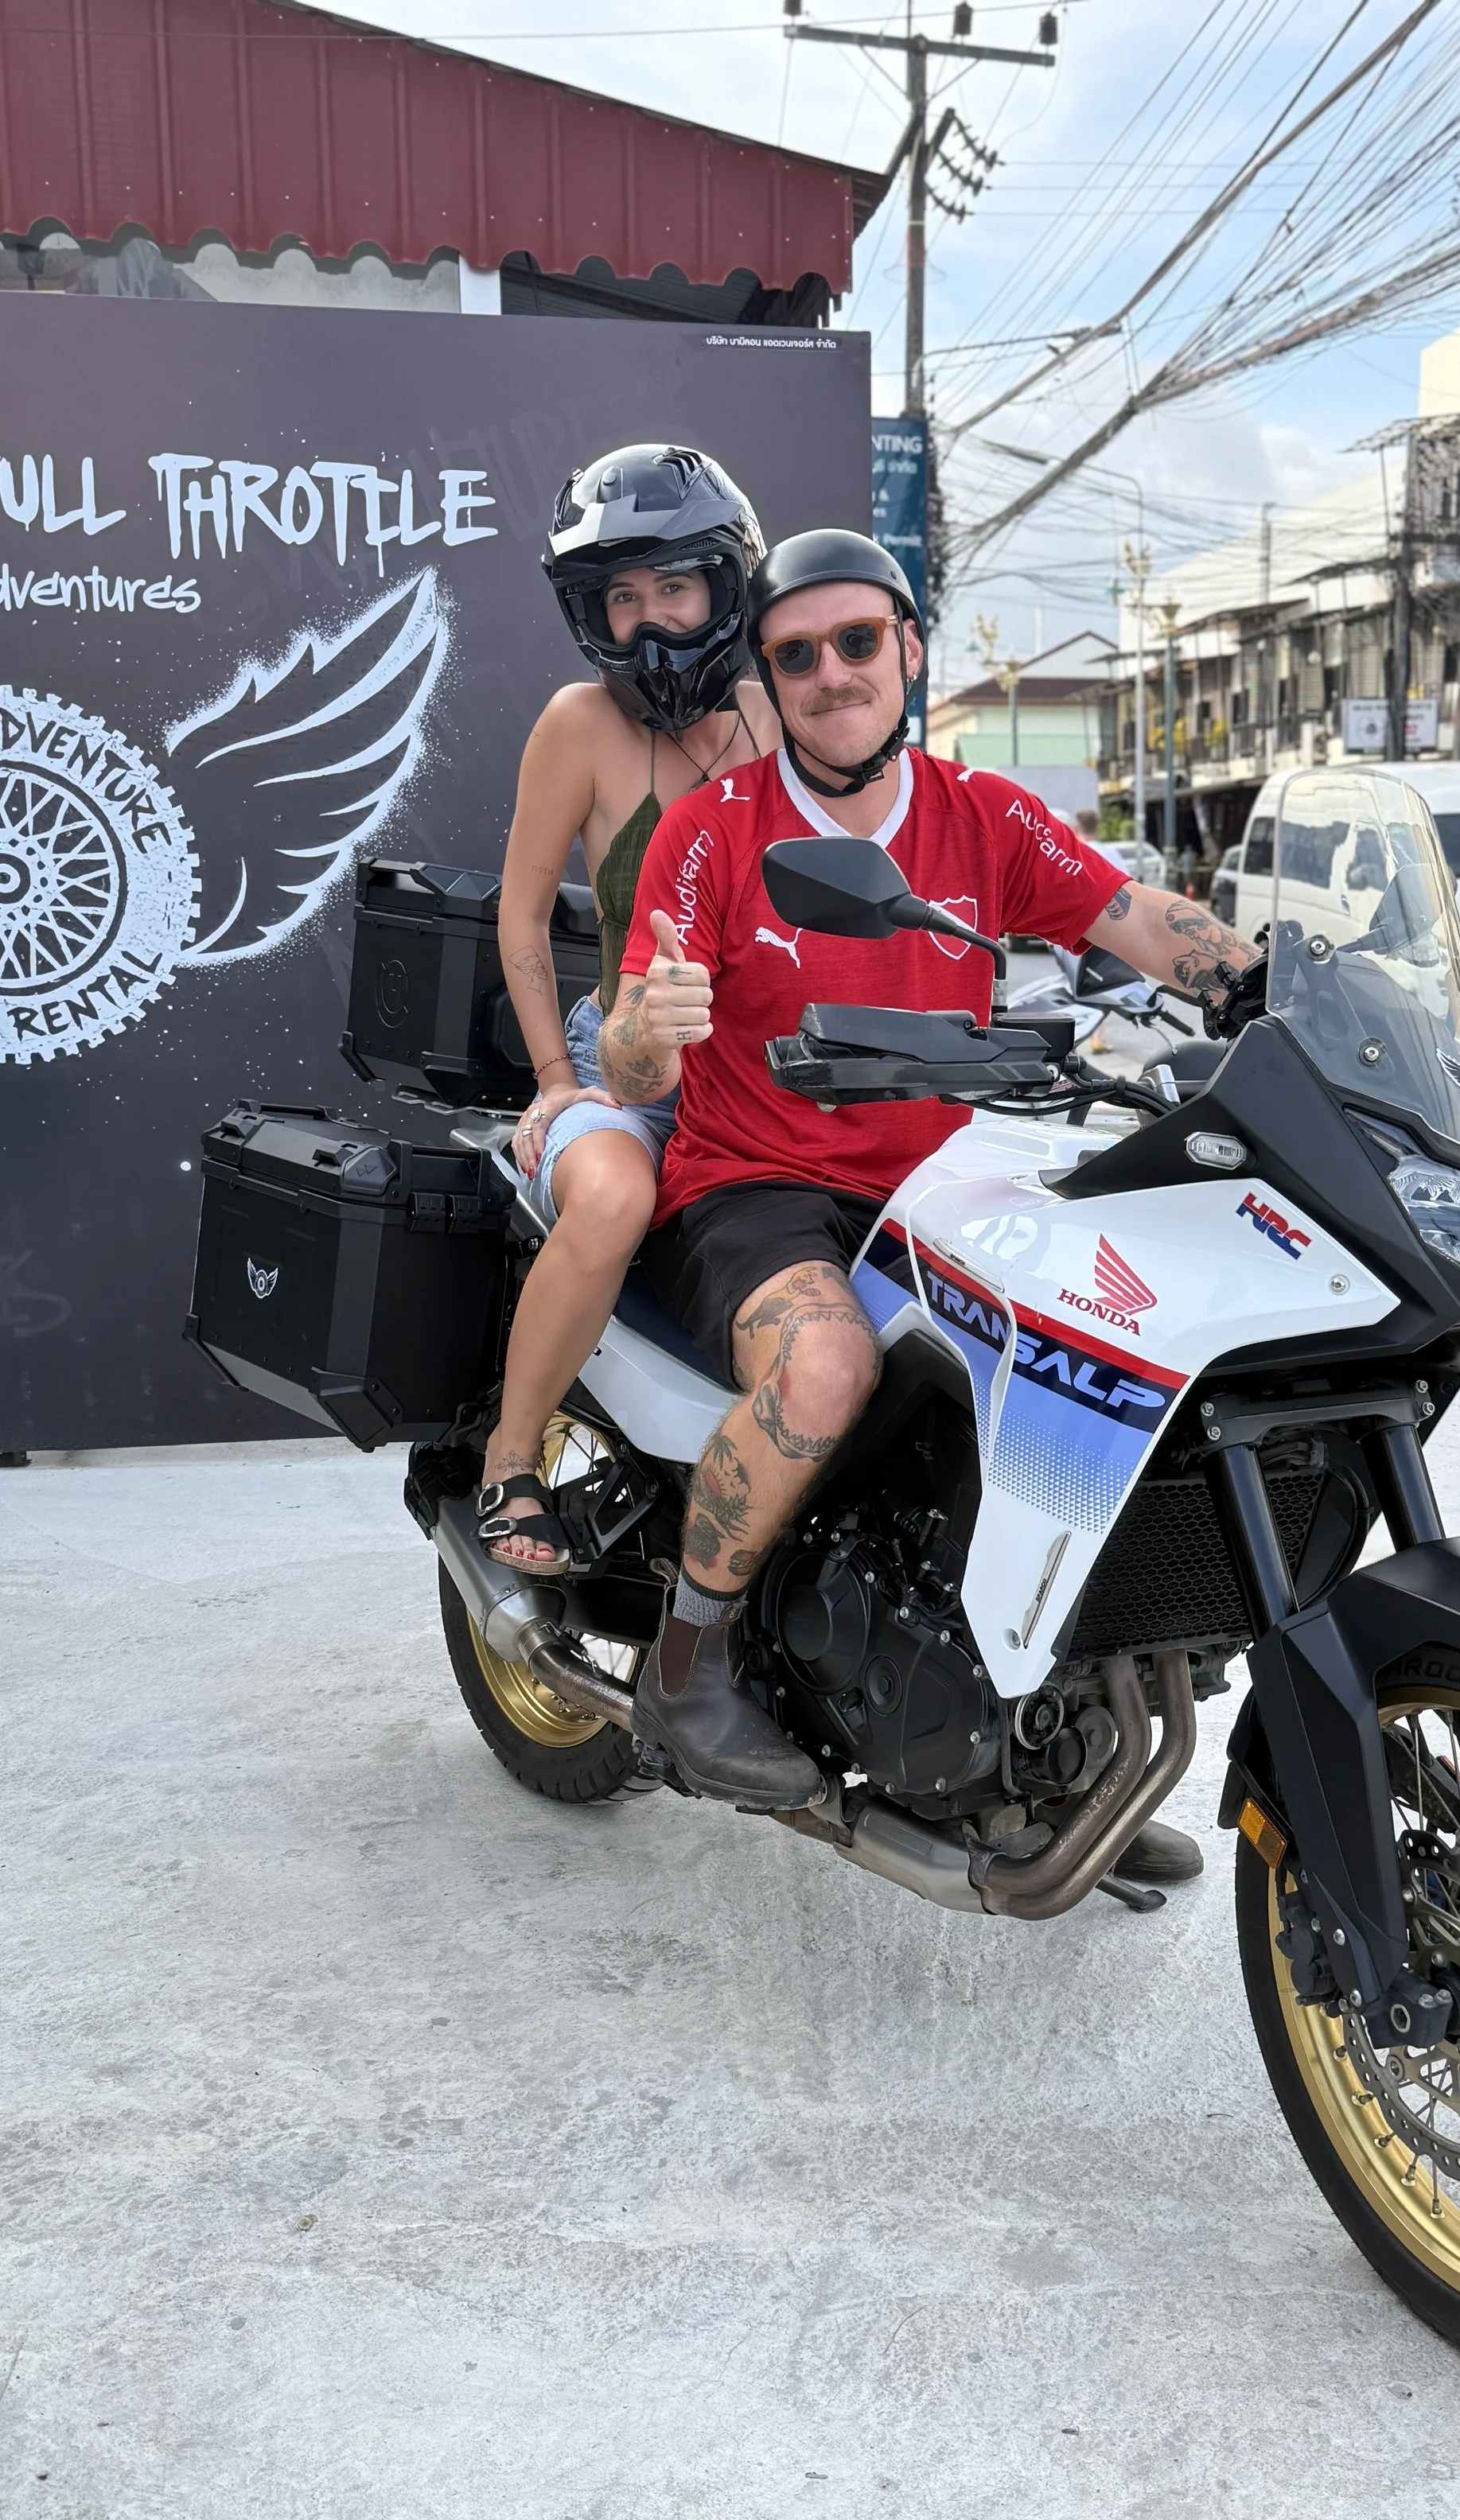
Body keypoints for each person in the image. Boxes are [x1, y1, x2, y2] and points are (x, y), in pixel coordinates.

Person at [597, 527, 1263, 1853]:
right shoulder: (713, 829)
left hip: (950, 1186)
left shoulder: (984, 816)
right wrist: (645, 1031)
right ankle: (688, 1658)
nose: (830, 674)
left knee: (1111, 1377)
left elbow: (1134, 918)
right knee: (826, 1368)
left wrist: (1275, 990)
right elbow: (632, 1048)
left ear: (908, 647)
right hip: (754, 1186)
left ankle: (1068, 1747)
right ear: (769, 680)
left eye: (856, 641)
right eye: (796, 656)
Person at [475, 444, 777, 1573]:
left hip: (779, 1086)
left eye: (675, 587)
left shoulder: (784, 716)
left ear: (727, 584)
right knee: (608, 1199)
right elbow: (521, 917)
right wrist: (559, 1081)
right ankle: (510, 1459)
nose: (650, 621)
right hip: (629, 1072)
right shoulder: (578, 725)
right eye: (622, 596)